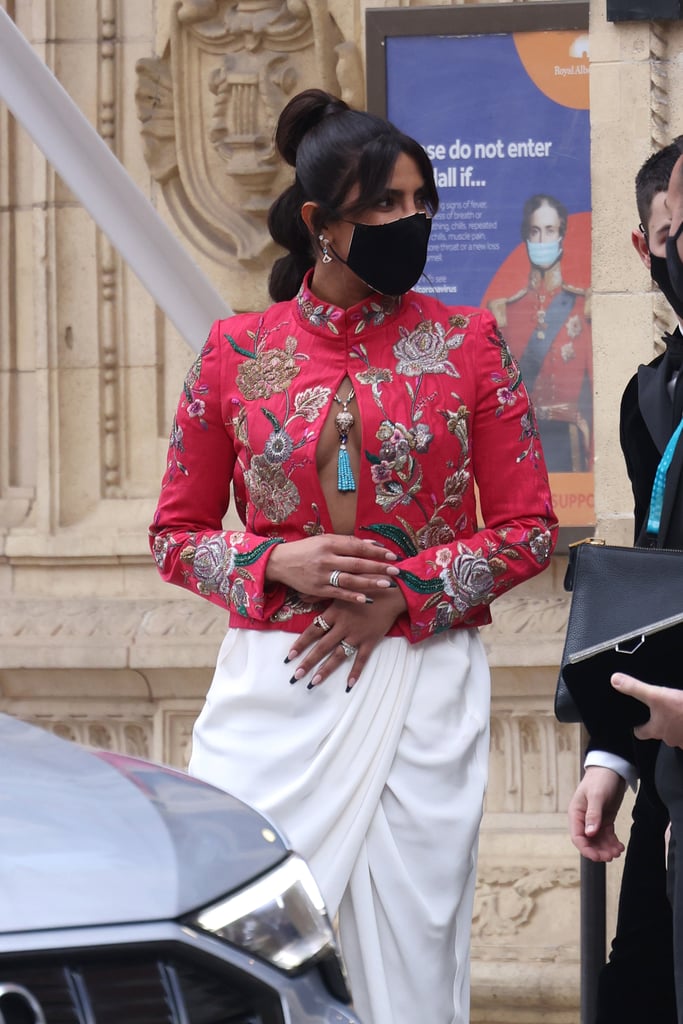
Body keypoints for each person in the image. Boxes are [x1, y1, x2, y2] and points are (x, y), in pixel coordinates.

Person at [149, 88, 558, 1024]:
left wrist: (402, 597)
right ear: (317, 224)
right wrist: (272, 566)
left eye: (419, 201)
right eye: (383, 204)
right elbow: (174, 535)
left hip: (418, 687)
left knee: (410, 956)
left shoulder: (468, 344)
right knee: (248, 945)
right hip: (274, 690)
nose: (407, 220)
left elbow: (529, 527)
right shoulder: (233, 354)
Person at [567, 138, 683, 1024]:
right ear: (646, 250)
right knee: (640, 984)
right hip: (671, 767)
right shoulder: (652, 396)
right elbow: (653, 595)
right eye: (670, 232)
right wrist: (612, 752)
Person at [488, 194, 592, 472]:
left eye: (550, 230)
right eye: (535, 231)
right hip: (522, 439)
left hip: (569, 441)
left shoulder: (583, 306)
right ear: (526, 238)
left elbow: (595, 391)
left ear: (562, 235)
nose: (542, 240)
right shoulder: (505, 311)